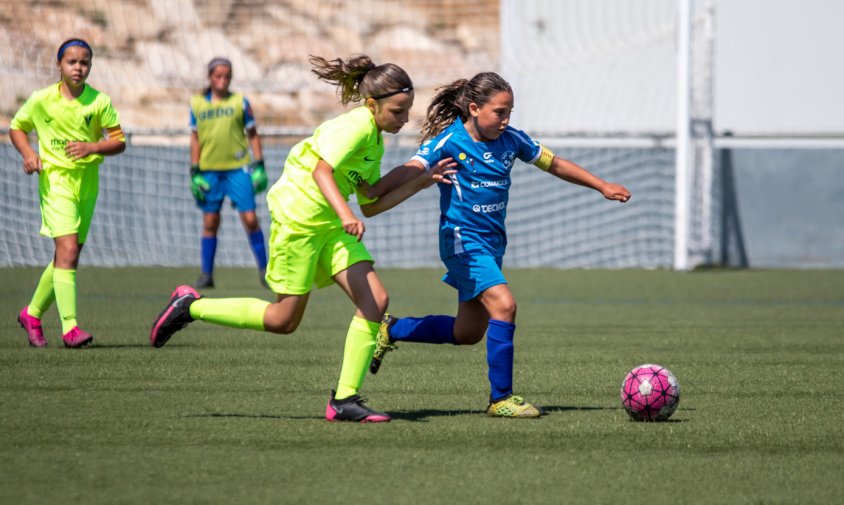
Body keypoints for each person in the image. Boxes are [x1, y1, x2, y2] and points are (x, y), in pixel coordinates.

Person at [150, 55, 455, 423]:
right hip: (301, 220)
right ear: (372, 105)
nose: (404, 118)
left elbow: (371, 198)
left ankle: (344, 400)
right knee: (283, 320)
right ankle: (191, 306)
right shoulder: (356, 127)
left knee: (375, 300)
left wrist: (421, 181)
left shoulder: (374, 139)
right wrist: (346, 215)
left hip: (329, 225)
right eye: (397, 110)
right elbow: (321, 170)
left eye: (407, 110)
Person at [367, 72, 631, 418]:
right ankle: (500, 398)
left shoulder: (511, 140)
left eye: (510, 112)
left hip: (492, 245)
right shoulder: (449, 141)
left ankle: (393, 327)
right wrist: (375, 190)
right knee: (504, 306)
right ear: (474, 108)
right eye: (499, 112)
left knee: (468, 332)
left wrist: (601, 185)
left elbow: (555, 164)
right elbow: (412, 167)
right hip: (463, 243)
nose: (506, 121)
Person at [10, 38, 126, 348]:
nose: (78, 67)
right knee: (69, 252)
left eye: (84, 62)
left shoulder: (99, 102)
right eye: (71, 62)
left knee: (67, 256)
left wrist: (93, 146)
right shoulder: (40, 99)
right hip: (55, 182)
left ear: (90, 66)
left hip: (87, 183)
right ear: (59, 65)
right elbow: (17, 127)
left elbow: (119, 141)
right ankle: (70, 328)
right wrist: (27, 153)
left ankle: (31, 314)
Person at [189, 57, 269, 289]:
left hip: (238, 169)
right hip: (209, 170)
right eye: (218, 76)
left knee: (251, 219)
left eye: (227, 76)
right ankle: (206, 274)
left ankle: (265, 270)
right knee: (211, 220)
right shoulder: (197, 104)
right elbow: (194, 138)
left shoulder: (240, 103)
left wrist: (259, 164)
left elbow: (253, 134)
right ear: (210, 77)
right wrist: (194, 170)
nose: (223, 81)